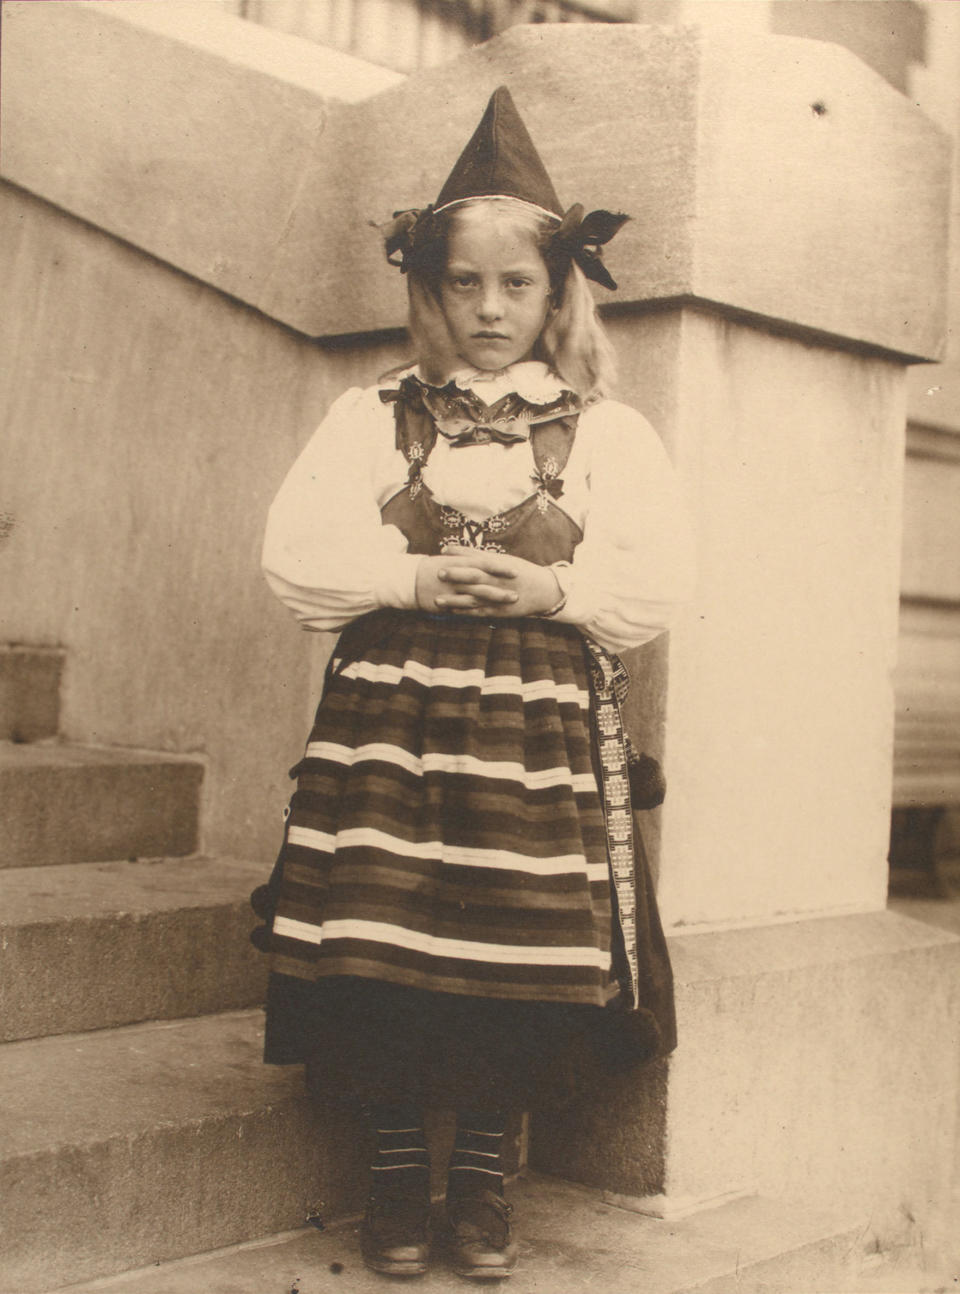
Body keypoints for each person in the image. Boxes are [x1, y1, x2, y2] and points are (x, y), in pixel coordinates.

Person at [252, 85, 695, 1281]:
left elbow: (654, 583)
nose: (491, 309)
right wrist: (408, 582)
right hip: (388, 730)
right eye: (466, 283)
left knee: (516, 950)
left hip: (534, 743)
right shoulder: (375, 417)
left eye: (518, 285)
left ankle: (486, 1174)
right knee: (383, 943)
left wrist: (555, 593)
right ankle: (398, 1168)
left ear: (560, 293)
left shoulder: (604, 432)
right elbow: (295, 557)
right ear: (430, 290)